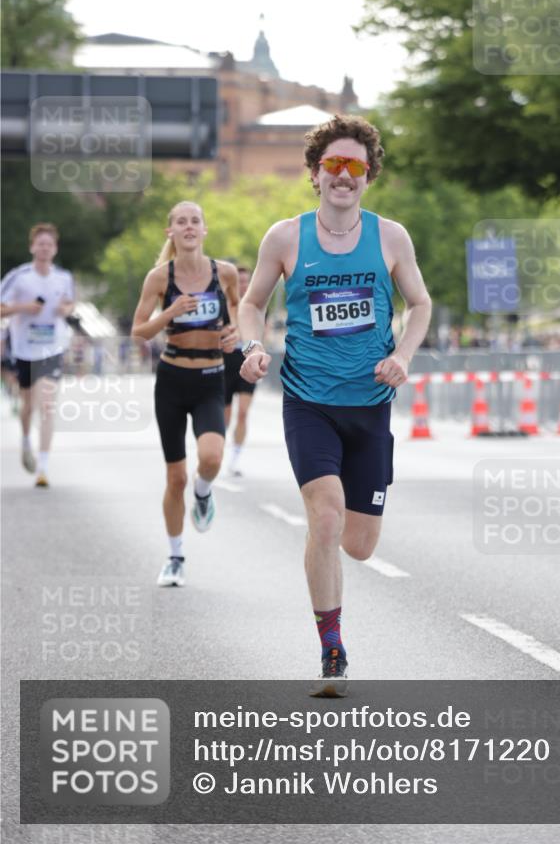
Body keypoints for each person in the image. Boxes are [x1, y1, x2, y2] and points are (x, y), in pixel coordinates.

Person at [239, 115, 432, 695]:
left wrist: (403, 354)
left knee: (359, 544)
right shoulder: (285, 237)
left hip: (371, 403)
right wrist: (252, 345)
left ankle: (335, 563)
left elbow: (420, 304)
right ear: (315, 173)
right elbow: (252, 303)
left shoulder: (391, 236)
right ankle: (332, 653)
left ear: (368, 174)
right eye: (333, 165)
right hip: (308, 402)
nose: (343, 176)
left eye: (354, 166)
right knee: (325, 518)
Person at [131, 201, 239, 588]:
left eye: (195, 221)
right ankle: (175, 556)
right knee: (174, 477)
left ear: (204, 230)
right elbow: (139, 331)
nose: (189, 226)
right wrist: (171, 311)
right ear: (171, 232)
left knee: (210, 459)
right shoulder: (160, 278)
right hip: (173, 380)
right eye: (181, 221)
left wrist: (235, 333)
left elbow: (238, 313)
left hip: (211, 376)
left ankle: (205, 491)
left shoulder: (224, 273)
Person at [0, 223, 76, 487]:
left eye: (49, 244)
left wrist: (65, 310)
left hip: (52, 347)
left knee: (47, 404)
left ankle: (43, 467)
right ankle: (24, 441)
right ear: (32, 246)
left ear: (55, 249)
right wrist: (23, 308)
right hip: (23, 349)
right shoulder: (19, 277)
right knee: (28, 406)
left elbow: (69, 302)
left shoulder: (64, 277)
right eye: (40, 243)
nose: (44, 248)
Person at [223, 266, 257, 476]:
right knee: (224, 417)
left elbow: (259, 335)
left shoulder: (256, 305)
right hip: (225, 364)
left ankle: (234, 460)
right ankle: (216, 452)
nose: (243, 285)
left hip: (247, 362)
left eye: (246, 281)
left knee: (243, 413)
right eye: (239, 281)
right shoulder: (222, 306)